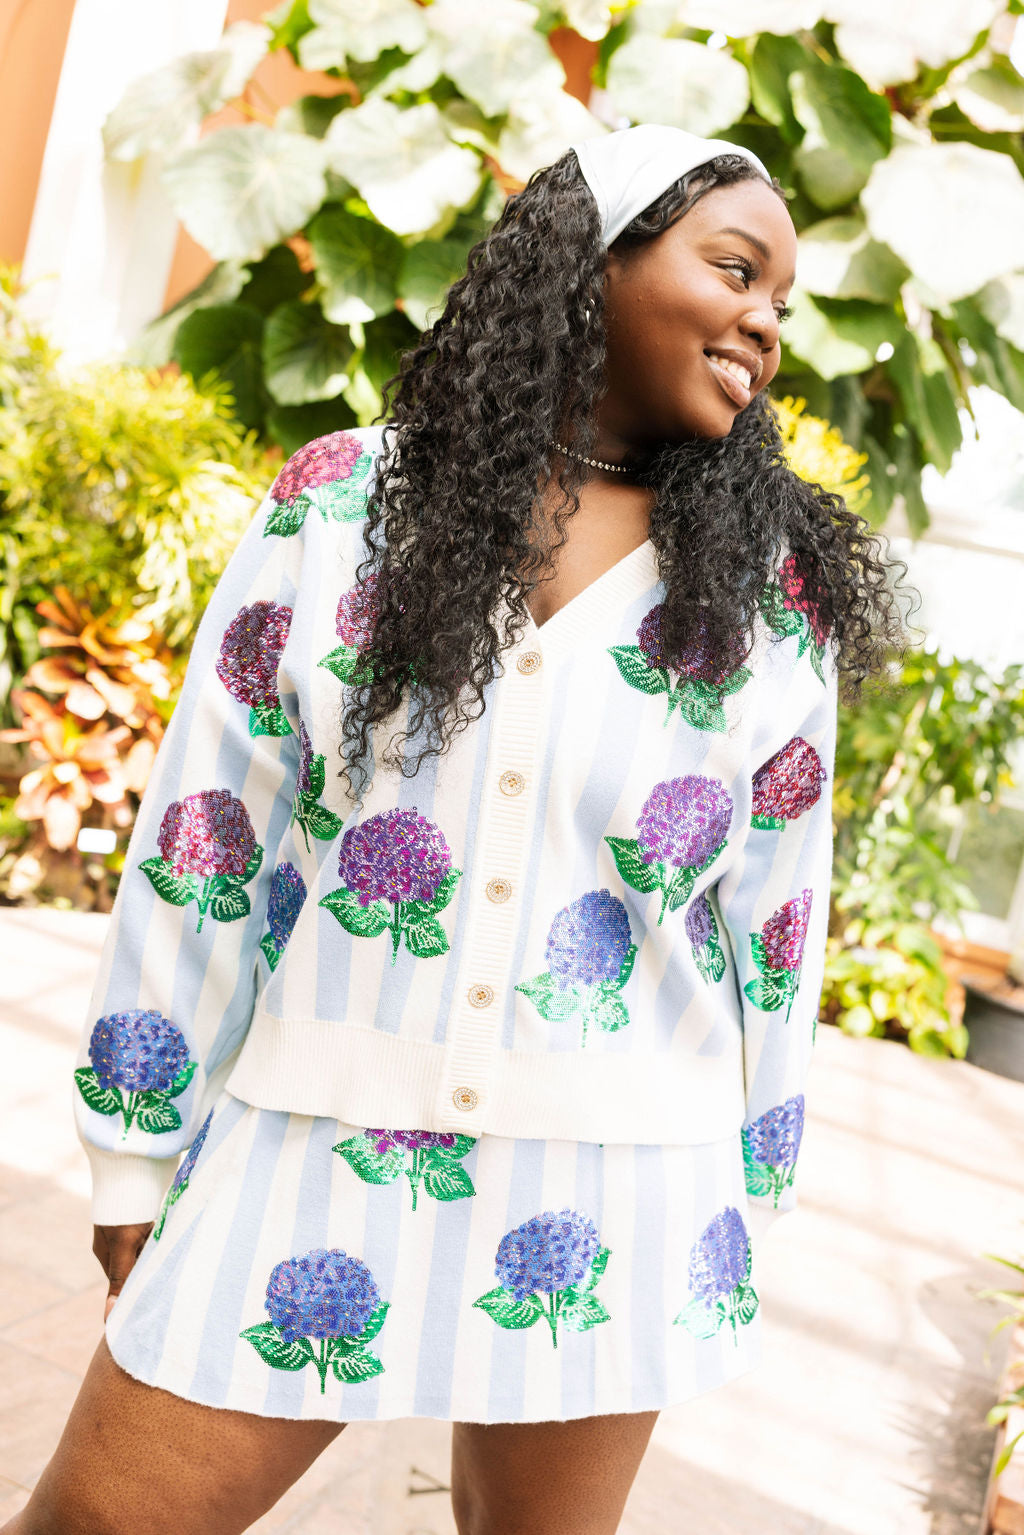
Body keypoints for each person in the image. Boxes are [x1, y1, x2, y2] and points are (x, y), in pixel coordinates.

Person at [8, 124, 909, 1535]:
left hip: (615, 1187)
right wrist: (138, 1144)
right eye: (735, 270)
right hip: (311, 1136)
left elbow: (776, 930)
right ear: (589, 264)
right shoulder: (344, 505)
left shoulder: (768, 593)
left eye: (783, 303)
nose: (766, 325)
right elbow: (205, 844)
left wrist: (754, 1194)